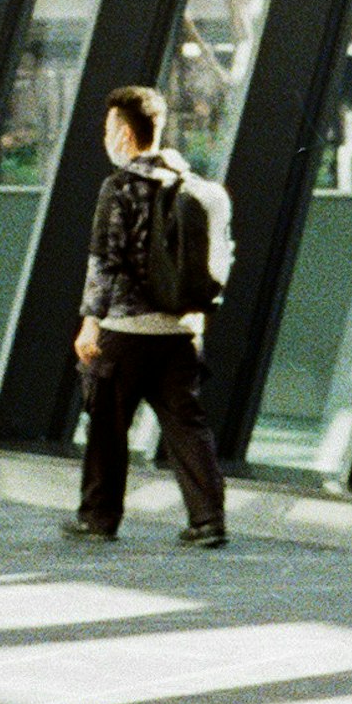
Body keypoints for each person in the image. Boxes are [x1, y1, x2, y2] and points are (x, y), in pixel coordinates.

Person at [69, 84, 229, 547]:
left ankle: (99, 519)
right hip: (180, 331)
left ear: (122, 133)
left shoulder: (119, 187)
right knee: (186, 424)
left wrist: (90, 322)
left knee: (106, 422)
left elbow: (105, 260)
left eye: (107, 129)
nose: (105, 137)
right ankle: (208, 521)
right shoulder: (191, 185)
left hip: (126, 330)